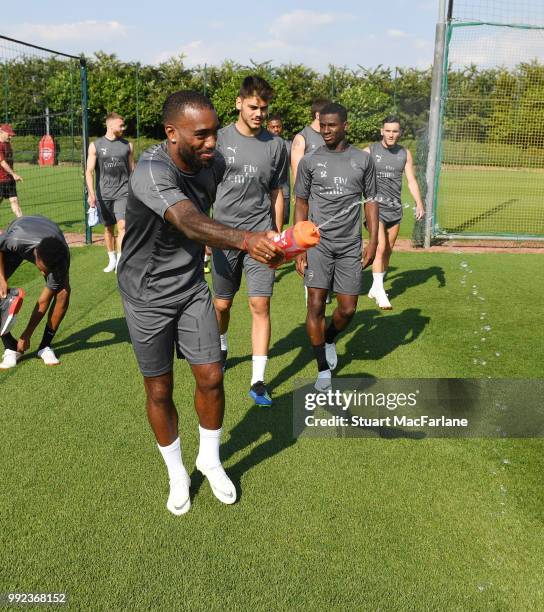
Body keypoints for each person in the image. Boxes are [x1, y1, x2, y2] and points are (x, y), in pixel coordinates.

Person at [117, 90, 284, 516]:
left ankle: (209, 459)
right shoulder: (151, 171)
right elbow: (189, 221)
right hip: (146, 296)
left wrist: (272, 238)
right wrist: (247, 241)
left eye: (214, 133)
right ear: (172, 133)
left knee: (211, 376)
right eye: (202, 135)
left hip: (191, 287)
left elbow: (236, 205)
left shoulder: (216, 163)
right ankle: (176, 472)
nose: (213, 143)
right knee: (160, 387)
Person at [211, 76, 287, 407]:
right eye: (253, 107)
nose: (258, 113)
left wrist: (278, 233)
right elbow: (205, 188)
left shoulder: (276, 145)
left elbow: (277, 191)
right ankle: (222, 344)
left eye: (264, 108)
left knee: (260, 304)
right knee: (221, 305)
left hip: (262, 235)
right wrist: (205, 232)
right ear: (239, 103)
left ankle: (258, 380)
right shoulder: (218, 139)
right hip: (225, 236)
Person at [294, 102, 379, 391]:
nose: (326, 130)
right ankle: (322, 369)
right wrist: (299, 246)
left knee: (347, 310)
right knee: (315, 304)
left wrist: (374, 241)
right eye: (322, 125)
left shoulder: (363, 160)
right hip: (317, 244)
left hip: (349, 245)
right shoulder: (310, 160)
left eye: (332, 125)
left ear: (345, 125)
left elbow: (370, 201)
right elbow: (301, 203)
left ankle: (329, 337)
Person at [365, 116, 425, 309]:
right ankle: (380, 292)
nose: (391, 134)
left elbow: (411, 181)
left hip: (395, 209)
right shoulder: (370, 151)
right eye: (388, 131)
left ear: (399, 133)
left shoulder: (405, 154)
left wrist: (419, 203)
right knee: (380, 248)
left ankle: (375, 287)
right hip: (375, 208)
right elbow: (352, 167)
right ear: (382, 131)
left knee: (388, 250)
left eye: (395, 131)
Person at [0, 215, 71, 369]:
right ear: (36, 256)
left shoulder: (61, 257)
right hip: (21, 229)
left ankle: (45, 346)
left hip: (49, 234)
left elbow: (44, 300)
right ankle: (10, 346)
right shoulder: (15, 240)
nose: (43, 274)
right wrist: (1, 278)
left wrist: (27, 334)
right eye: (43, 269)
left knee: (63, 292)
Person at [85, 112, 135, 273]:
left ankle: (121, 261)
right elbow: (89, 171)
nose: (123, 127)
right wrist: (91, 194)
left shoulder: (128, 145)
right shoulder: (95, 145)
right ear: (110, 125)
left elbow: (132, 170)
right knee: (108, 228)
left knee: (123, 226)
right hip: (103, 194)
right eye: (121, 125)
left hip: (124, 192)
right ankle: (112, 259)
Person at [290, 98, 330, 183]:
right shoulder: (301, 138)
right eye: (328, 114)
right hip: (311, 195)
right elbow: (297, 177)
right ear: (318, 116)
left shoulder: (330, 136)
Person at [267, 113, 292, 225]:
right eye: (273, 127)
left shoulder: (288, 145)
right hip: (266, 194)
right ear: (268, 127)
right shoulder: (263, 145)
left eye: (278, 126)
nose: (276, 129)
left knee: (280, 227)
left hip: (284, 193)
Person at [0, 124, 23, 218]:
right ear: (1, 132)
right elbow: (2, 162)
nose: (10, 137)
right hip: (0, 180)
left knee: (14, 201)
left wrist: (12, 175)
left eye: (11, 135)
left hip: (9, 179)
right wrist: (14, 174)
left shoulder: (8, 144)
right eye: (8, 134)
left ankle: (22, 222)